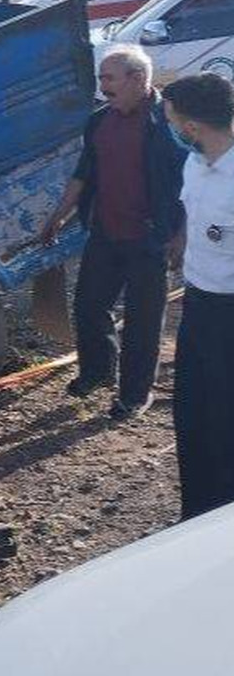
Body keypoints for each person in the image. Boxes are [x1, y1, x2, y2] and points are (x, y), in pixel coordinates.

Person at [41, 46, 186, 420]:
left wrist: (181, 235)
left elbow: (190, 182)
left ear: (138, 79)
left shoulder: (169, 124)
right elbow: (83, 171)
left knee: (143, 320)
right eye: (101, 78)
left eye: (109, 79)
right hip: (106, 232)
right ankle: (97, 372)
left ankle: (135, 395)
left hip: (150, 238)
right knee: (89, 305)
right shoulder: (99, 120)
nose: (102, 86)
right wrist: (60, 213)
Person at [161, 73, 234, 520]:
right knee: (195, 418)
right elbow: (195, 211)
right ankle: (199, 516)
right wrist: (182, 242)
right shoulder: (195, 163)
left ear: (190, 126)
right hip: (199, 305)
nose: (167, 126)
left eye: (170, 118)